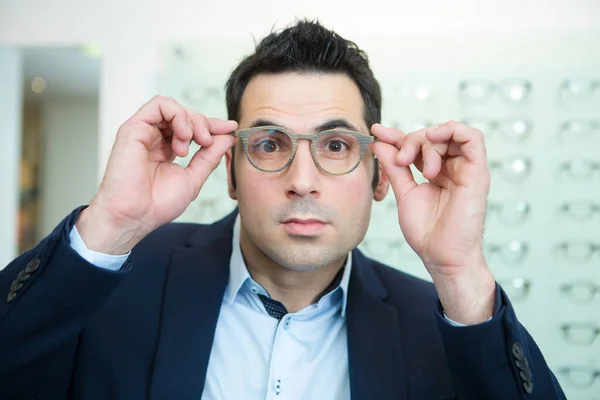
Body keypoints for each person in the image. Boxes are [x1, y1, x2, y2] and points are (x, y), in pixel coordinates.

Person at [0, 20, 565, 400]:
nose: (302, 181)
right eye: (269, 144)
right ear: (230, 172)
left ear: (378, 177)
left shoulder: (440, 323)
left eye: (336, 146)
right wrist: (110, 224)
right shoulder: (113, 277)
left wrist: (460, 272)